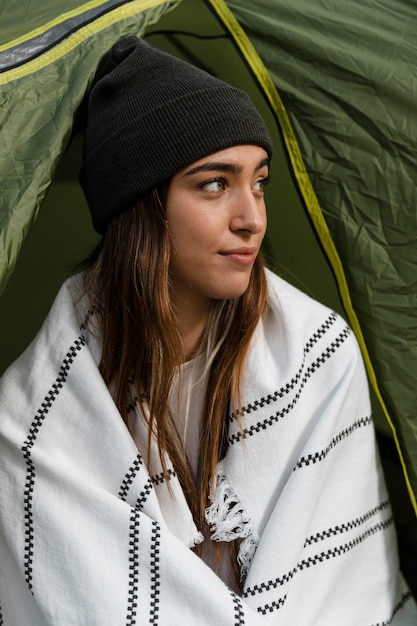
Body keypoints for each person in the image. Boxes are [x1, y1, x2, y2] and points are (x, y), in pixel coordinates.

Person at [0, 36, 415, 626]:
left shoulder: (316, 354)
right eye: (215, 184)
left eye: (260, 182)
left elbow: (336, 588)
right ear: (142, 206)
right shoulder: (30, 418)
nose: (252, 218)